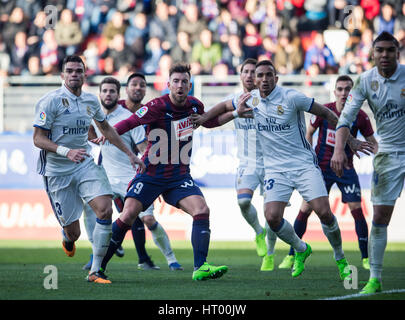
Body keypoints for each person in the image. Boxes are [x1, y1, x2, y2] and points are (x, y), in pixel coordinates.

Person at [236, 59, 374, 280]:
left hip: (303, 165)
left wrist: (349, 141)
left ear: (276, 78)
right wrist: (204, 118)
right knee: (271, 217)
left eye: (268, 75)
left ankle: (341, 259)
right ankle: (301, 248)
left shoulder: (292, 97)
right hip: (275, 170)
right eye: (259, 75)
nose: (263, 79)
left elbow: (329, 115)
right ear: (254, 80)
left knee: (325, 213)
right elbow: (224, 111)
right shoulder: (249, 102)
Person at [95, 63, 231, 282]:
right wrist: (108, 133)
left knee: (202, 210)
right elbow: (130, 122)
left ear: (190, 85)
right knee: (128, 215)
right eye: (175, 81)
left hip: (179, 177)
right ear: (168, 85)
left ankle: (200, 267)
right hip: (151, 174)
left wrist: (235, 114)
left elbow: (211, 121)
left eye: (184, 82)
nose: (180, 85)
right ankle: (98, 266)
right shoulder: (156, 106)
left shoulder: (195, 105)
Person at [32, 55, 144, 284]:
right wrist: (65, 151)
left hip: (84, 163)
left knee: (104, 209)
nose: (74, 74)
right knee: (74, 233)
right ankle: (68, 238)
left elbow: (107, 129)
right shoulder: (49, 102)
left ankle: (95, 271)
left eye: (78, 71)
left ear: (85, 75)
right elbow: (38, 139)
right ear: (63, 75)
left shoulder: (91, 101)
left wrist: (130, 154)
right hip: (57, 171)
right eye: (70, 71)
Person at [83, 74, 183, 271]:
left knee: (146, 218)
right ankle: (98, 253)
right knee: (89, 209)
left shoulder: (129, 117)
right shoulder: (95, 116)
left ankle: (171, 259)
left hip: (130, 176)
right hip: (106, 177)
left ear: (118, 94)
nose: (108, 94)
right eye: (104, 91)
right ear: (99, 94)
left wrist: (152, 171)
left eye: (112, 91)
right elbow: (90, 132)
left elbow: (144, 146)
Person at [278, 75, 378, 270]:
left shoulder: (360, 116)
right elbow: (308, 132)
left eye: (348, 89)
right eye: (340, 89)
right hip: (321, 169)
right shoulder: (326, 111)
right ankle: (292, 255)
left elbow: (372, 142)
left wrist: (383, 155)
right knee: (305, 209)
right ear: (335, 92)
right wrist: (309, 157)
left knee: (357, 210)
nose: (343, 93)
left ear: (352, 93)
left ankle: (365, 258)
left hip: (346, 169)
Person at [331, 31, 405, 294]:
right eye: (379, 50)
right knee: (380, 219)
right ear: (372, 54)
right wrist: (340, 149)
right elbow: (344, 118)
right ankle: (375, 278)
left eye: (389, 50)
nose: (384, 55)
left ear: (397, 52)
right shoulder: (364, 81)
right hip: (389, 157)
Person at [190, 58, 278, 271]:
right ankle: (258, 232)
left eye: (252, 72)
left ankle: (270, 254)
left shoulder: (270, 99)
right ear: (240, 76)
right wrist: (201, 118)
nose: (249, 75)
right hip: (247, 163)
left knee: (272, 212)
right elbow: (218, 110)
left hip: (273, 163)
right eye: (245, 71)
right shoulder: (235, 99)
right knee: (243, 202)